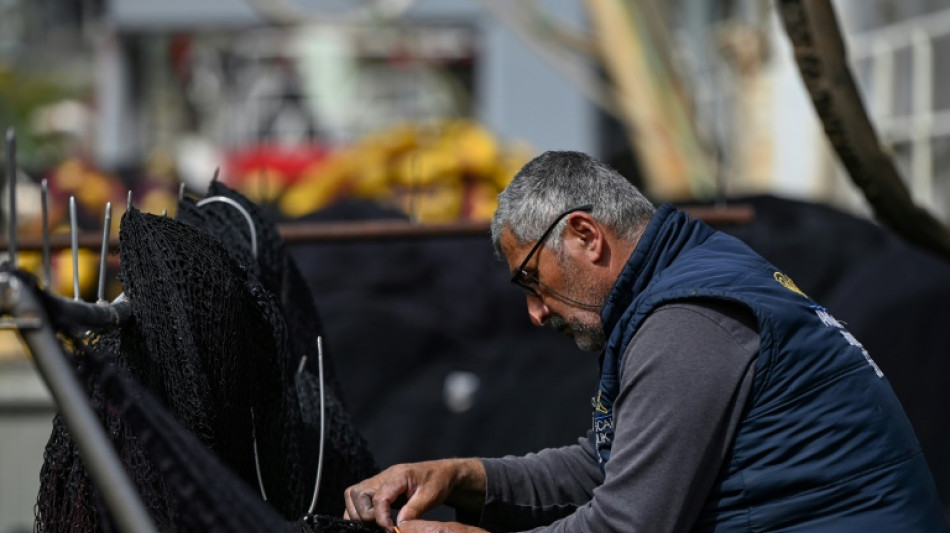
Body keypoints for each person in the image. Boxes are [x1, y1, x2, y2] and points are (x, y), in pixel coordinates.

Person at [343, 151, 949, 532]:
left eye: (531, 279)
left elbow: (626, 524)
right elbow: (608, 463)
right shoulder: (699, 269)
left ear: (585, 235)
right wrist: (457, 475)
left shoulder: (689, 321)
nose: (532, 310)